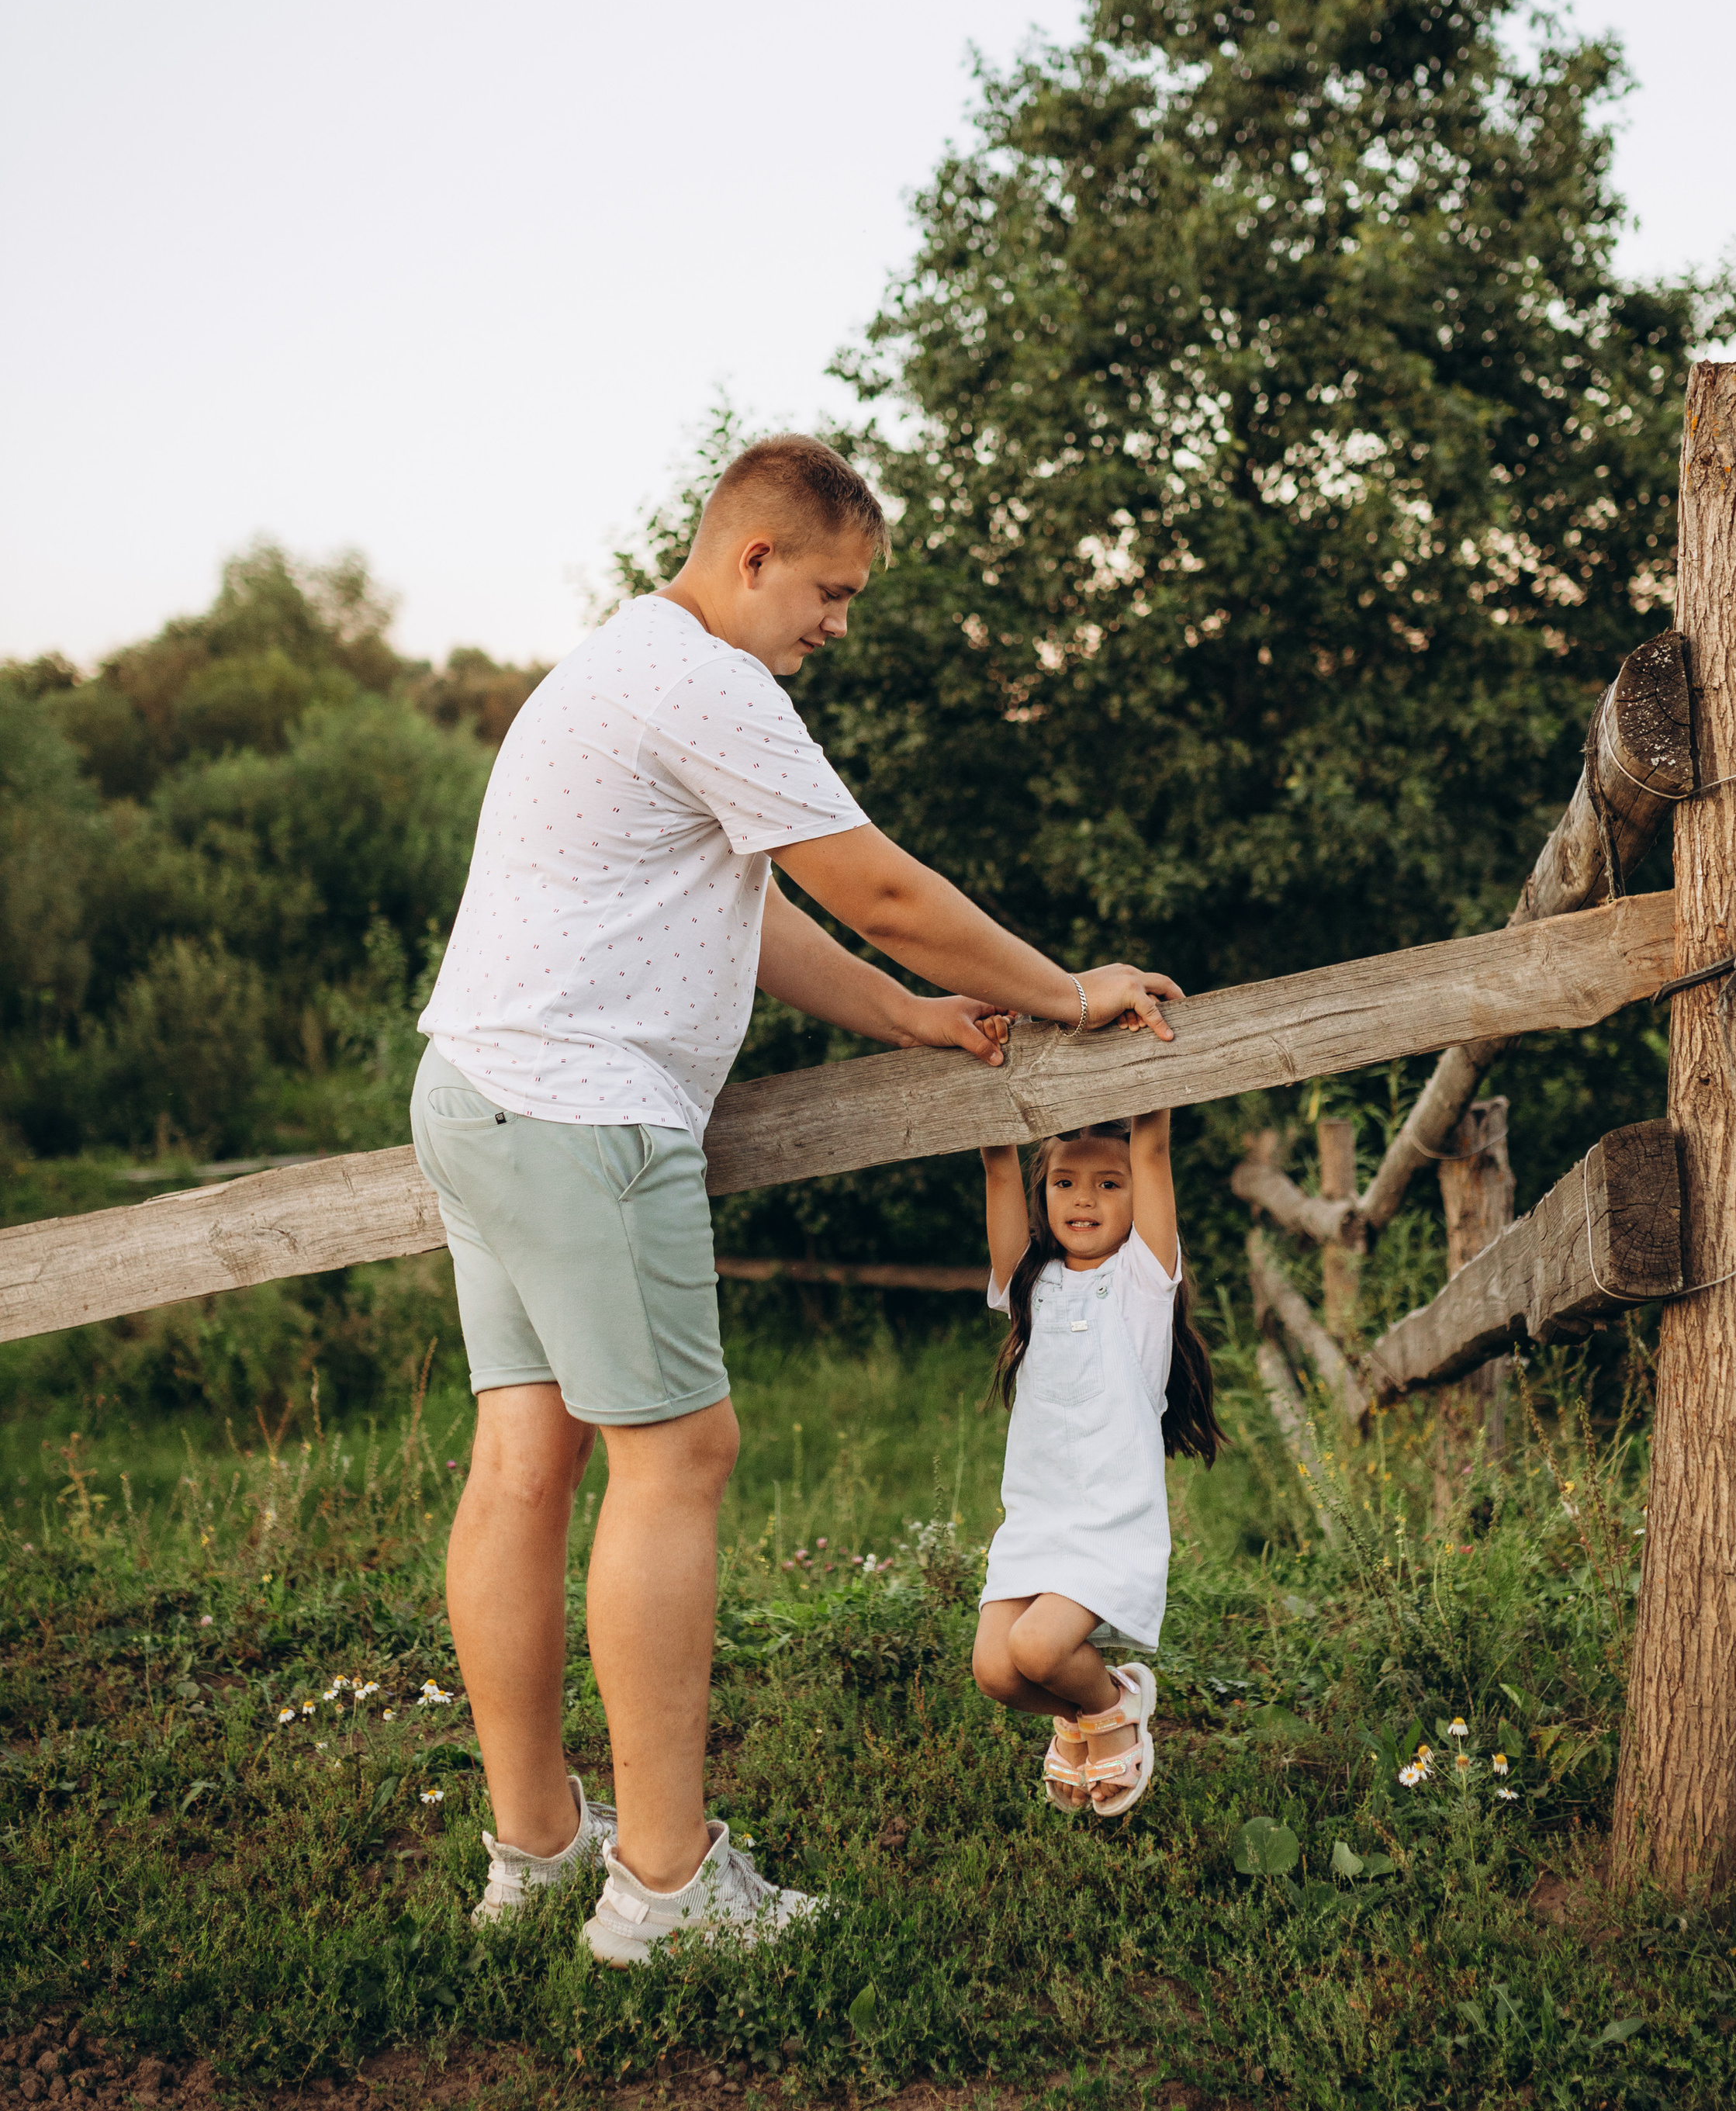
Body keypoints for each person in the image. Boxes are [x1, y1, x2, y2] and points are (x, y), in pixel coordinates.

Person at [410, 435, 1181, 1961]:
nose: (837, 624)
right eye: (829, 592)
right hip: (580, 1117)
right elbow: (874, 886)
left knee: (520, 1467)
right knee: (678, 1458)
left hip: (473, 1097)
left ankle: (536, 1856)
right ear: (752, 557)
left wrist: (909, 1017)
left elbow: (744, 909)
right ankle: (668, 1891)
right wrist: (1059, 991)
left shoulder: (614, 667)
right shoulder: (711, 683)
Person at [970, 1109, 1222, 1817]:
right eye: (1065, 1183)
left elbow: (1154, 1145)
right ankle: (1088, 1710)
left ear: (1138, 1199)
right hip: (1036, 1524)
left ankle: (1112, 1704)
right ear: (1043, 1193)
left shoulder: (1143, 1284)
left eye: (1110, 1184)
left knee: (1041, 1650)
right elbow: (996, 1163)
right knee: (996, 1669)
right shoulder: (1030, 1283)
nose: (1084, 1199)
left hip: (1112, 1521)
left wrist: (1143, 1061)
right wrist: (992, 1082)